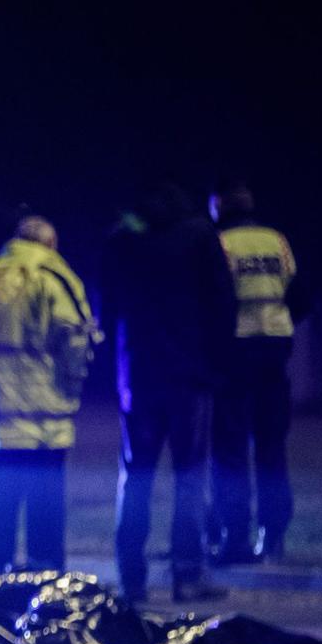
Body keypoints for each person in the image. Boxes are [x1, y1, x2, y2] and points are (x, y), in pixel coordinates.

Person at [100, 184, 236, 603]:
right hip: (189, 375)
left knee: (135, 475)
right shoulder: (198, 237)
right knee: (190, 477)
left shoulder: (123, 238)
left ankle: (131, 578)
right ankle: (187, 574)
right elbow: (222, 303)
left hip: (138, 375)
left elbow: (106, 306)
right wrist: (215, 363)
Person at [0, 216, 98, 581]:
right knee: (44, 521)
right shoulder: (55, 278)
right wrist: (71, 383)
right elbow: (76, 342)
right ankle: (44, 598)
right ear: (50, 244)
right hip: (45, 423)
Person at [209, 180, 309, 563]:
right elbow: (300, 298)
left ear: (219, 208)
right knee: (271, 447)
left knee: (230, 448)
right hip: (274, 352)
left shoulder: (220, 243)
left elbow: (213, 300)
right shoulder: (277, 241)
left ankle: (234, 537)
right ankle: (273, 537)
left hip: (234, 353)